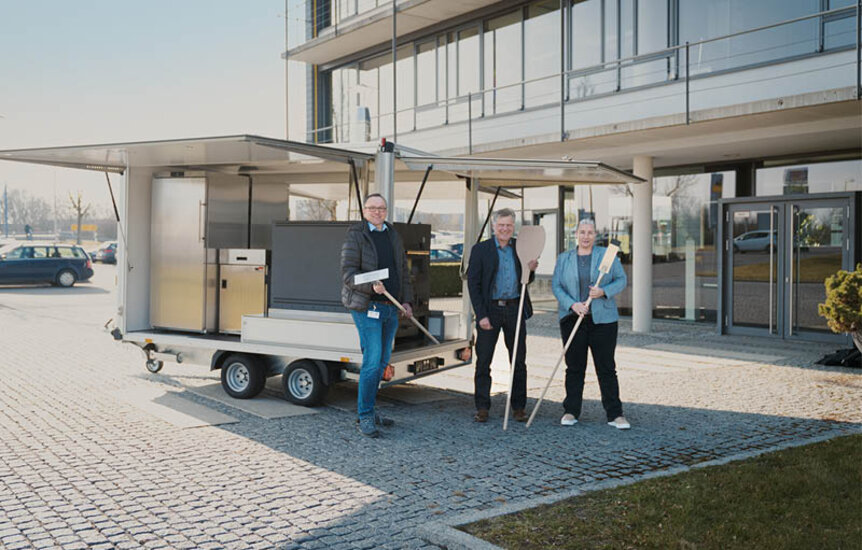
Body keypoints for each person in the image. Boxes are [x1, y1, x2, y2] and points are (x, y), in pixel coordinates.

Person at [341, 193, 413, 438]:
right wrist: (371, 286)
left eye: (381, 208)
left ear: (386, 211)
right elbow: (347, 274)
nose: (377, 212)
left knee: (382, 362)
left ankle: (370, 409)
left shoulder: (393, 234)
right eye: (372, 208)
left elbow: (402, 271)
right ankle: (365, 416)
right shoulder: (356, 235)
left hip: (390, 307)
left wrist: (406, 301)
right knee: (372, 362)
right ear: (364, 211)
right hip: (367, 307)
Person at [551, 218, 630, 430]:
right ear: (576, 234)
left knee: (606, 368)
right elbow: (556, 286)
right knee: (574, 367)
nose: (586, 236)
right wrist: (572, 304)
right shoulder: (564, 258)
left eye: (590, 232)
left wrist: (603, 291)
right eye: (582, 232)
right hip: (573, 319)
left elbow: (621, 280)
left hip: (603, 321)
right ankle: (571, 410)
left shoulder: (607, 256)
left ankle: (615, 414)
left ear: (595, 235)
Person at [467, 208, 537, 423]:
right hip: (490, 310)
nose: (505, 229)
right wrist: (481, 315)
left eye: (508, 225)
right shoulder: (481, 250)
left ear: (513, 226)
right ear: (494, 226)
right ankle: (482, 407)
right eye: (501, 225)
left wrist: (531, 269)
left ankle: (519, 407)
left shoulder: (520, 247)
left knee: (518, 361)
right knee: (484, 361)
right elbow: (473, 285)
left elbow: (526, 280)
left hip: (515, 308)